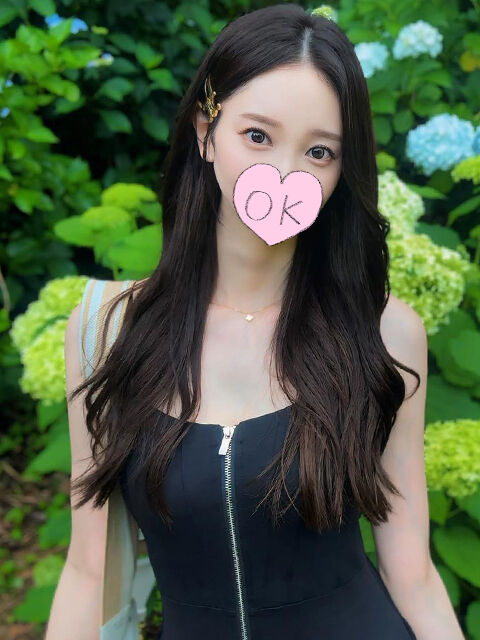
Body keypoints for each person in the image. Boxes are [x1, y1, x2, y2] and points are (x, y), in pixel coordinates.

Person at [46, 4, 465, 639]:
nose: (285, 176)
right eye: (258, 136)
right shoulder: (106, 331)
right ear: (205, 131)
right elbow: (86, 570)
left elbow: (413, 573)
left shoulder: (385, 333)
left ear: (342, 169)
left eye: (319, 151)